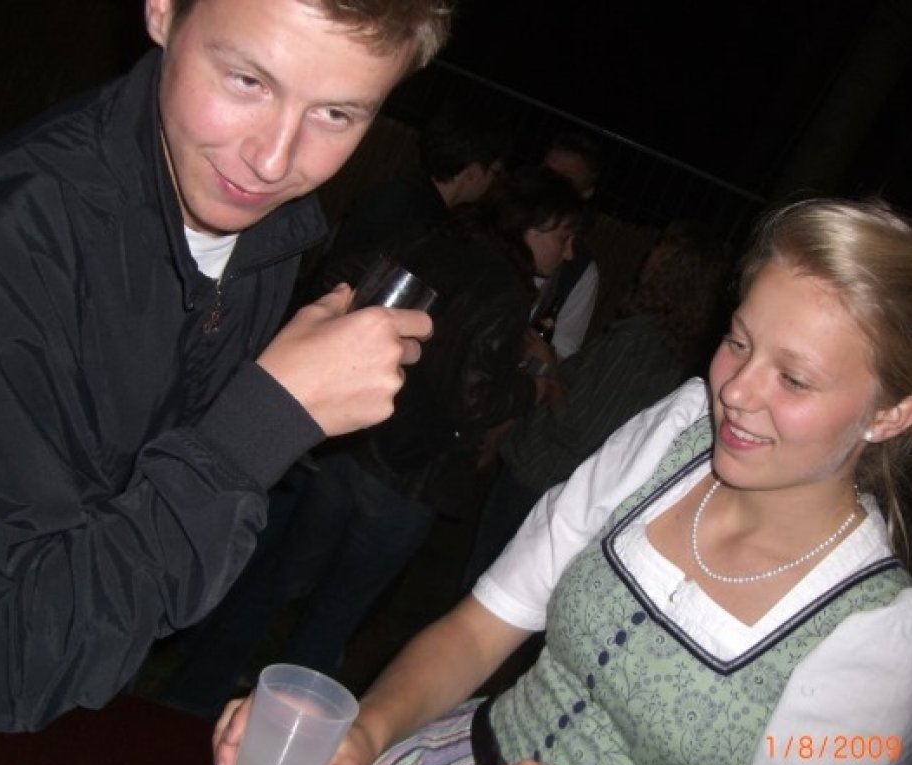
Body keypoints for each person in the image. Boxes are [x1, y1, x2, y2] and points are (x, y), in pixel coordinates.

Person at [213, 197, 912, 765]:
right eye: (738, 343)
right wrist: (363, 732)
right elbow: (481, 628)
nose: (736, 390)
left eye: (793, 379)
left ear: (892, 415)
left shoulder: (884, 638)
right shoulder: (675, 433)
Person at [0, 0, 452, 733]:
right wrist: (263, 423)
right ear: (163, 11)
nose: (274, 160)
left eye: (335, 114)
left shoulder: (264, 232)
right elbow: (0, 666)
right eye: (247, 81)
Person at [161, 166, 582, 716]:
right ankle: (278, 732)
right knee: (334, 613)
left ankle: (187, 699)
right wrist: (531, 386)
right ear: (532, 224)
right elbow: (474, 398)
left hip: (356, 441)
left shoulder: (443, 240)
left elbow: (356, 285)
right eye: (563, 235)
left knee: (278, 578)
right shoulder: (504, 287)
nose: (569, 252)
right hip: (409, 477)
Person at [462, 219, 729, 591]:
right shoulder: (671, 344)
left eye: (661, 250)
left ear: (677, 270)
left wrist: (548, 368)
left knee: (486, 589)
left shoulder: (639, 342)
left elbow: (581, 428)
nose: (649, 255)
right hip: (560, 488)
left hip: (542, 482)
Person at [326, 99, 511, 264]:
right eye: (495, 172)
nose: (495, 182)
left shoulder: (409, 197)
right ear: (473, 172)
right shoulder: (416, 218)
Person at [532, 132, 604, 359]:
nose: (550, 187)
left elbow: (562, 351)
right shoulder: (495, 223)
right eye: (546, 174)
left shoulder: (579, 269)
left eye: (564, 181)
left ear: (586, 192)